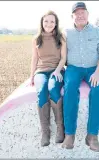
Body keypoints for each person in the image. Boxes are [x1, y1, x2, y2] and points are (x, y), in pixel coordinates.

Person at [62, 2, 99, 152]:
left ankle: (92, 135)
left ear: (88, 14)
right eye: (77, 13)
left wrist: (98, 72)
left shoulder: (97, 31)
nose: (80, 15)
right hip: (73, 68)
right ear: (72, 16)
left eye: (83, 12)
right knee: (69, 88)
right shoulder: (66, 33)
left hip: (93, 68)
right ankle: (70, 134)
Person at [30, 10, 66, 147]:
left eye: (52, 21)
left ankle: (60, 129)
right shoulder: (36, 39)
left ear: (56, 23)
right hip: (41, 71)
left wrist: (57, 70)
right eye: (46, 21)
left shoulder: (61, 37)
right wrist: (31, 76)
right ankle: (45, 132)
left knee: (53, 89)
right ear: (42, 22)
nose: (49, 24)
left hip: (57, 70)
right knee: (41, 92)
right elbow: (34, 59)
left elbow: (63, 58)